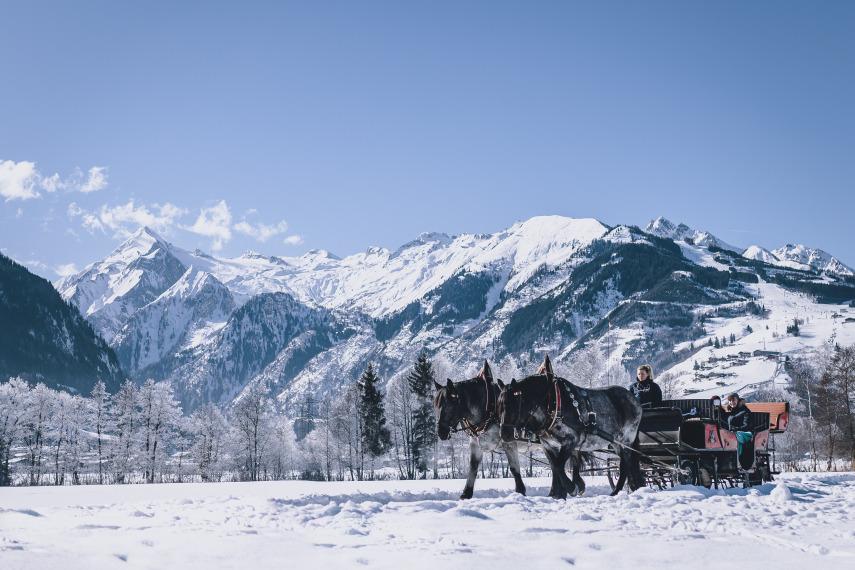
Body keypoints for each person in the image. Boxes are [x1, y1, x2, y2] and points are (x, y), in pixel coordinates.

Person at [725, 393, 753, 469]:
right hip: (734, 433)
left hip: (747, 434)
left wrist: (736, 429)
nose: (731, 402)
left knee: (736, 436)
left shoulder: (745, 411)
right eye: (730, 400)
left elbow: (746, 425)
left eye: (733, 400)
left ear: (738, 400)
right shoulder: (732, 412)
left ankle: (740, 460)